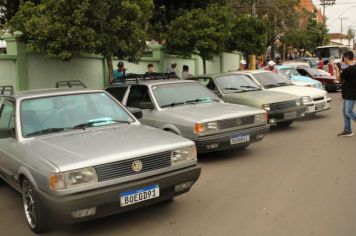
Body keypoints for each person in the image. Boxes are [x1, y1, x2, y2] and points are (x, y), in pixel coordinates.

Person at [338, 51, 356, 137]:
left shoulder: (348, 70)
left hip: (350, 93)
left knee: (348, 112)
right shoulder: (352, 67)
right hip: (348, 93)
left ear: (346, 58)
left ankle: (348, 130)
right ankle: (348, 130)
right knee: (345, 112)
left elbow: (338, 78)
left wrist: (336, 69)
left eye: (343, 57)